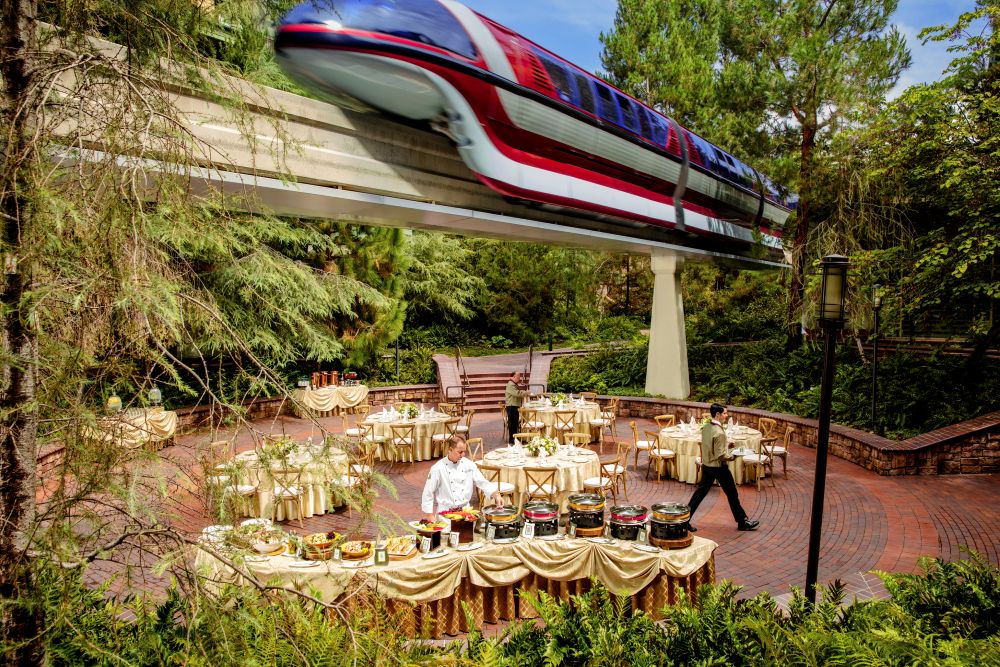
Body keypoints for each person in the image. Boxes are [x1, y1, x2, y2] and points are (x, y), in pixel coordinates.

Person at [686, 403, 759, 532]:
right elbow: (720, 456)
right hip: (719, 468)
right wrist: (734, 455)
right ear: (718, 414)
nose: (727, 415)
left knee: (699, 494)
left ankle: (684, 521)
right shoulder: (719, 432)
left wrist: (726, 446)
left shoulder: (707, 427)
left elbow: (710, 446)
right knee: (732, 493)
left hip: (707, 465)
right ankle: (742, 522)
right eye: (725, 413)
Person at [422, 437, 503, 522]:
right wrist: (429, 515)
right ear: (450, 449)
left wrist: (496, 495)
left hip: (466, 513)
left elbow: (482, 482)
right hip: (445, 515)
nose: (463, 455)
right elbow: (428, 492)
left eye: (464, 451)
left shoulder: (469, 464)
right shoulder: (438, 468)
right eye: (460, 452)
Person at [504, 371, 529, 444]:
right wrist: (526, 393)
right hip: (512, 407)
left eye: (519, 377)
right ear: (513, 377)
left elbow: (517, 391)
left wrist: (523, 391)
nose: (519, 378)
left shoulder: (513, 384)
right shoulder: (511, 384)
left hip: (514, 406)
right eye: (518, 377)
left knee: (515, 424)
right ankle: (512, 441)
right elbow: (517, 393)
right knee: (512, 424)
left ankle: (515, 439)